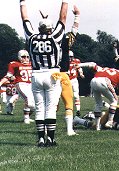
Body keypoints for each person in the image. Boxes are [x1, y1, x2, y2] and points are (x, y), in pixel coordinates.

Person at [20, 0, 68, 147]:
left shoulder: (32, 37)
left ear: (39, 28)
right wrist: (64, 2)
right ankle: (51, 139)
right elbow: (63, 18)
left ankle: (41, 138)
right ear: (50, 28)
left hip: (36, 75)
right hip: (52, 74)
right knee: (50, 108)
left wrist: (22, 2)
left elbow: (25, 19)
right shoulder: (55, 37)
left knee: (40, 107)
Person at [75, 62, 119, 130]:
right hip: (104, 81)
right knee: (114, 101)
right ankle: (110, 122)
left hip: (93, 80)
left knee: (98, 104)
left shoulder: (105, 69)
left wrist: (80, 65)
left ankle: (97, 126)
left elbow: (92, 64)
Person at [59, 5, 80, 136]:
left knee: (49, 104)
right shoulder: (65, 42)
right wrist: (77, 15)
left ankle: (44, 129)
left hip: (47, 74)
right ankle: (69, 130)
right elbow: (74, 30)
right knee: (68, 102)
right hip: (62, 74)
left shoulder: (44, 41)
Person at [0, 50, 35, 123]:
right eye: (23, 57)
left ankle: (27, 117)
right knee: (28, 100)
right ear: (19, 57)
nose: (25, 59)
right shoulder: (14, 64)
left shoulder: (33, 64)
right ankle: (26, 119)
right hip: (21, 84)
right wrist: (0, 83)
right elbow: (8, 76)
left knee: (34, 106)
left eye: (27, 57)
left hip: (32, 85)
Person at [68, 50, 84, 116]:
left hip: (74, 79)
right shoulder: (63, 61)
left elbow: (79, 69)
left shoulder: (76, 61)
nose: (70, 58)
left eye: (71, 57)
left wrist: (81, 74)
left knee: (76, 95)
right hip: (66, 80)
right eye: (69, 57)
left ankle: (78, 110)